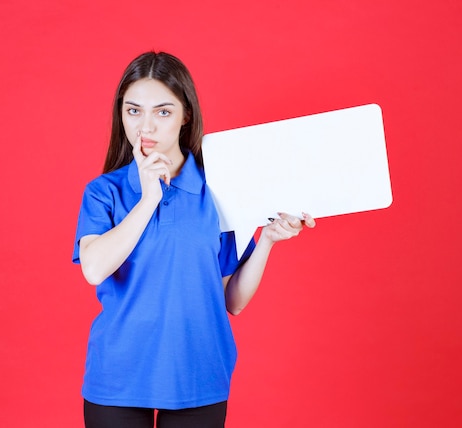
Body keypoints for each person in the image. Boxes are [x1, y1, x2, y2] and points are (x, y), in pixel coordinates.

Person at [72, 51, 315, 428]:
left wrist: (265, 239)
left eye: (163, 112)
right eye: (134, 111)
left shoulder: (220, 191)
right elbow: (94, 268)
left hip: (198, 372)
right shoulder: (104, 192)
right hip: (119, 374)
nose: (146, 127)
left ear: (186, 115)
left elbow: (230, 301)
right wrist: (149, 198)